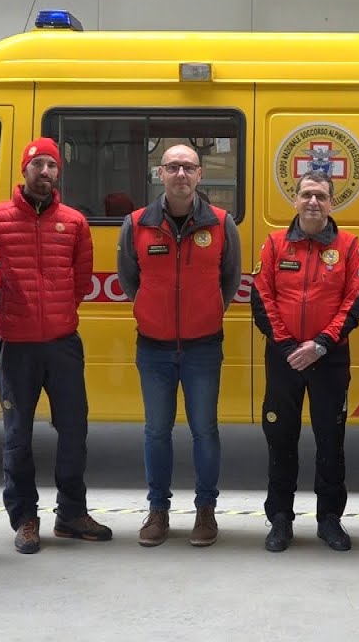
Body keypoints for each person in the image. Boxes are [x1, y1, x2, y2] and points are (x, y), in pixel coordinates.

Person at [0, 138, 111, 554]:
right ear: (24, 170)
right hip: (14, 347)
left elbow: (80, 280)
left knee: (74, 431)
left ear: (59, 173)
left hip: (62, 344)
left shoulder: (74, 222)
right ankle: (25, 519)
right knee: (17, 436)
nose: (44, 172)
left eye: (51, 165)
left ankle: (71, 514)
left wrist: (58, 316)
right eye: (37, 164)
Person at [117, 144, 241, 547]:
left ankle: (206, 511)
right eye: (173, 167)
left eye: (188, 167)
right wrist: (151, 312)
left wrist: (206, 314)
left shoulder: (222, 223)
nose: (181, 174)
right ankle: (158, 511)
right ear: (160, 173)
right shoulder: (135, 225)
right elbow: (130, 280)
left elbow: (230, 279)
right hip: (153, 348)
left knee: (205, 430)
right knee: (156, 431)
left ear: (200, 174)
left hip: (204, 346)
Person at [251, 170, 359, 552]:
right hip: (284, 359)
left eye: (321, 195)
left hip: (329, 359)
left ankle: (330, 520)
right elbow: (262, 298)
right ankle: (280, 520)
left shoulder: (349, 247)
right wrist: (288, 347)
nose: (313, 202)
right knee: (280, 440)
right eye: (307, 195)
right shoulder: (273, 244)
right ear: (295, 200)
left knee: (331, 442)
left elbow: (355, 300)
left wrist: (321, 343)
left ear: (332, 202)